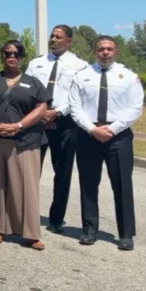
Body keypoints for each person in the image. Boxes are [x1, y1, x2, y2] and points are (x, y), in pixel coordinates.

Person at [0, 40, 50, 250]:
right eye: (7, 53)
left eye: (16, 53)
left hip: (24, 141)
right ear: (2, 56)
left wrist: (19, 125)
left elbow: (42, 107)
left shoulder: (33, 83)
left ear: (22, 56)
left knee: (25, 186)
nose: (11, 56)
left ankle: (30, 233)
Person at [68, 36, 144, 251]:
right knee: (88, 185)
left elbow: (136, 107)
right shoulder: (82, 76)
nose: (105, 53)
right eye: (101, 49)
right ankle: (89, 230)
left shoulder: (128, 76)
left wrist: (112, 129)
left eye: (109, 49)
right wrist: (92, 129)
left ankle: (126, 234)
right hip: (88, 134)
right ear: (94, 52)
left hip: (118, 136)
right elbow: (75, 106)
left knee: (122, 186)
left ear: (116, 52)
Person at [25, 24, 88, 233]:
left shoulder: (80, 65)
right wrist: (40, 113)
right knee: (31, 169)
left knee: (62, 172)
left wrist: (57, 112)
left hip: (65, 124)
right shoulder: (36, 63)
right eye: (52, 36)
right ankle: (27, 214)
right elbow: (27, 91)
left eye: (58, 37)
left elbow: (79, 96)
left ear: (68, 41)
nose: (53, 39)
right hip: (37, 122)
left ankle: (56, 218)